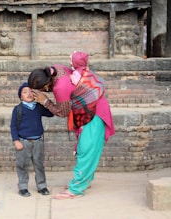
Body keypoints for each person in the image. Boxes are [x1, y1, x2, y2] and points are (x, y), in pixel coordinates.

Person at [27, 51, 115, 199]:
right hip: (93, 109)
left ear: (47, 85)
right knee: (87, 149)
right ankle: (84, 181)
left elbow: (62, 111)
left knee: (86, 151)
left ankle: (76, 189)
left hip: (93, 114)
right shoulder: (56, 69)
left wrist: (45, 101)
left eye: (42, 90)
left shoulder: (59, 88)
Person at [10, 82, 54, 197]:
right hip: (23, 142)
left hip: (38, 141)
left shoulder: (38, 107)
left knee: (39, 164)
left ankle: (42, 185)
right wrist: (16, 140)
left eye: (31, 91)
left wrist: (44, 101)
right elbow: (13, 126)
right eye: (25, 92)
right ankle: (23, 187)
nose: (28, 94)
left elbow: (51, 114)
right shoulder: (18, 109)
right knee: (22, 165)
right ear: (21, 96)